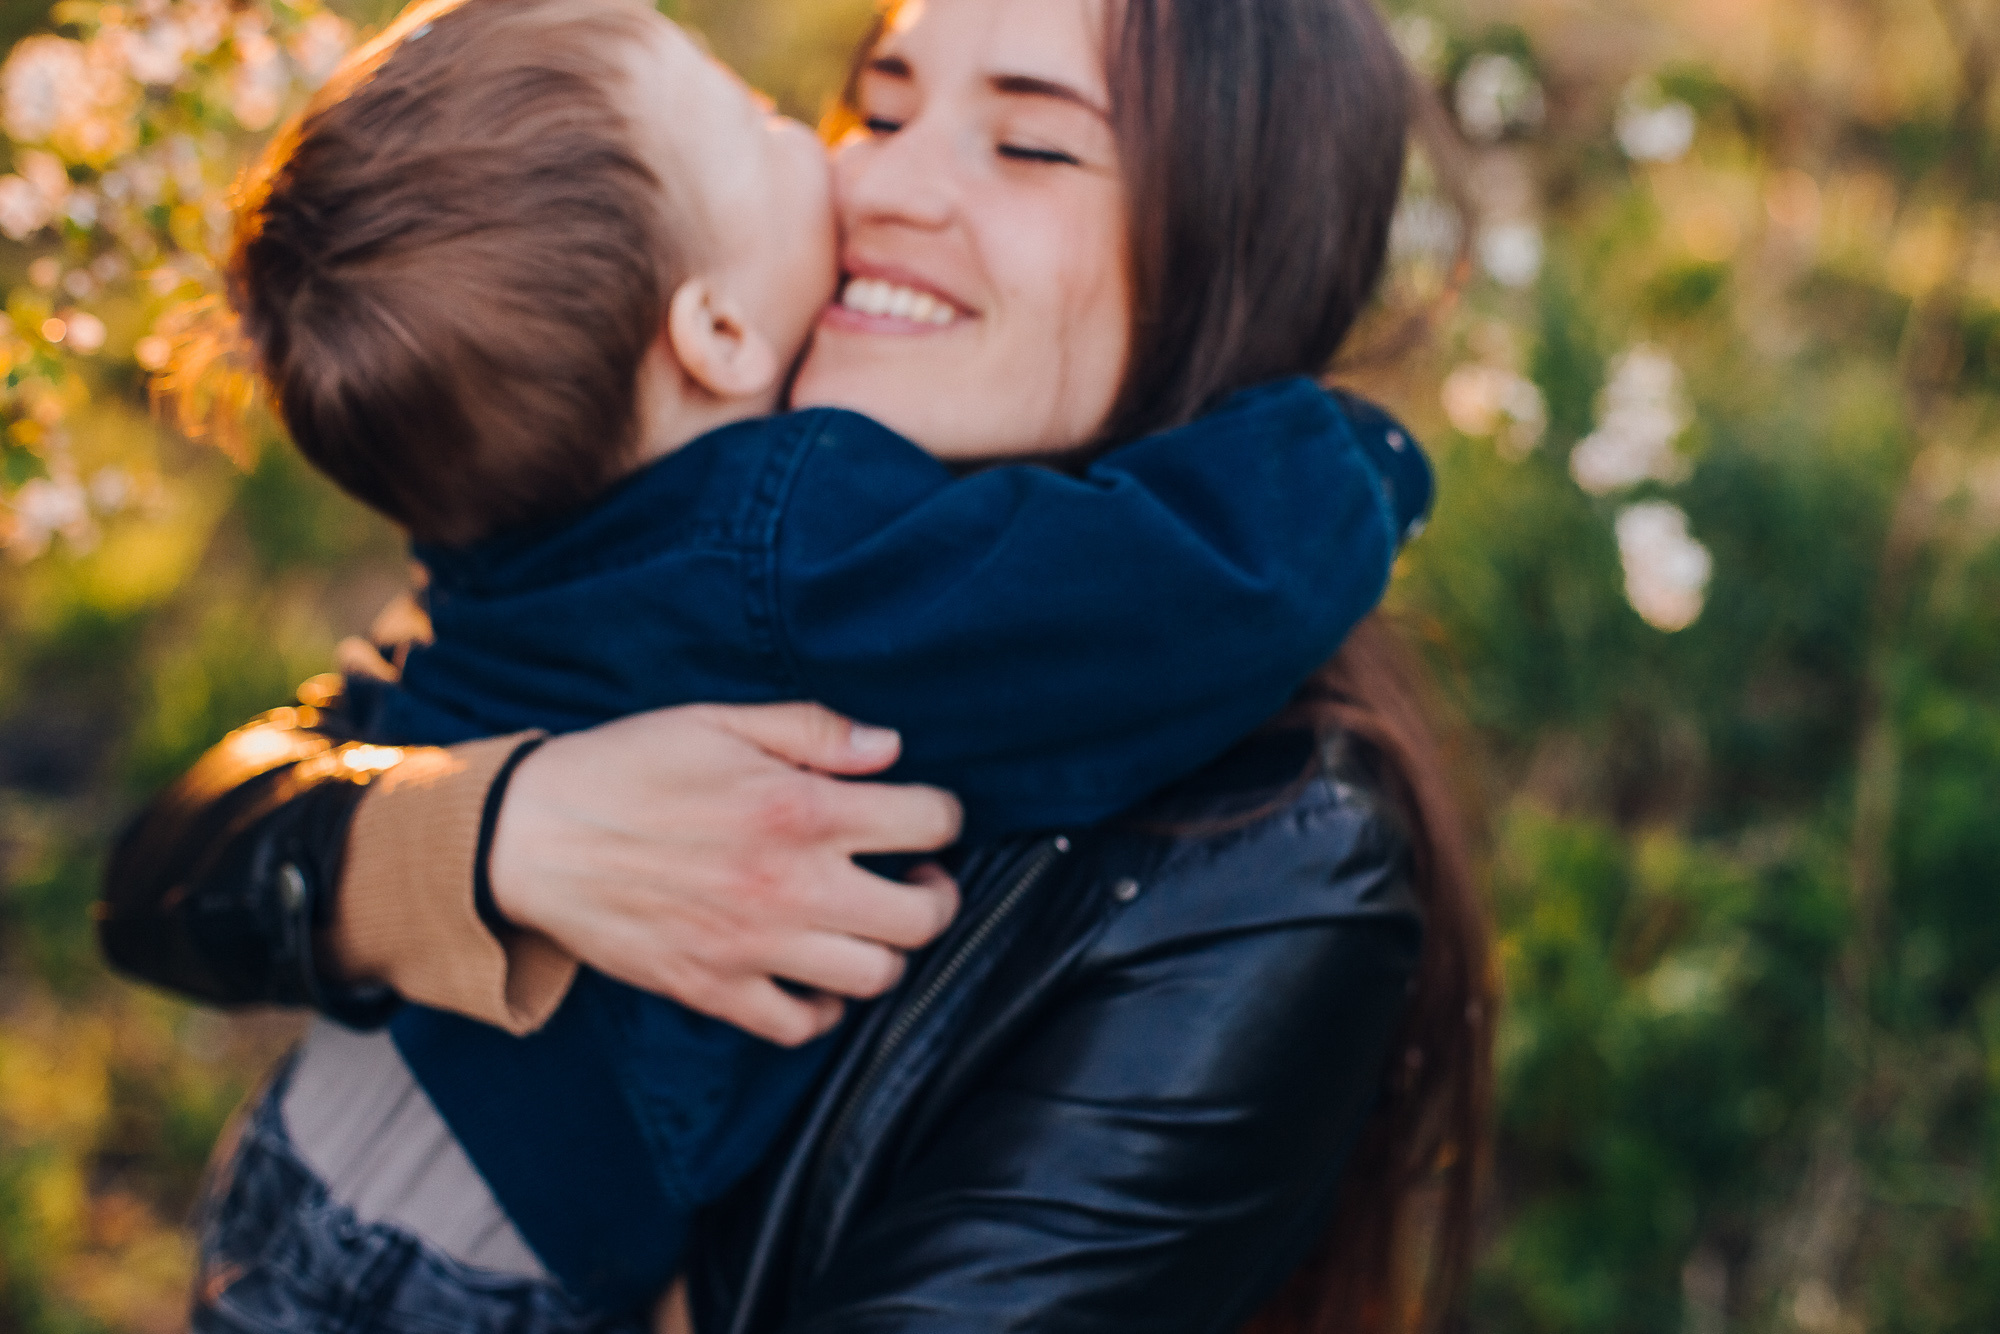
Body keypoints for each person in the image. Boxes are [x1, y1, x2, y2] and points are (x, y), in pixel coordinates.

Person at [101, 0, 1497, 1330]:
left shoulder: (1270, 860)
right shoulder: (763, 536)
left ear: (1234, 251)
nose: (875, 181)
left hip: (310, 1194)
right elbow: (174, 865)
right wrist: (495, 839)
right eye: (875, 110)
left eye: (1029, 144)